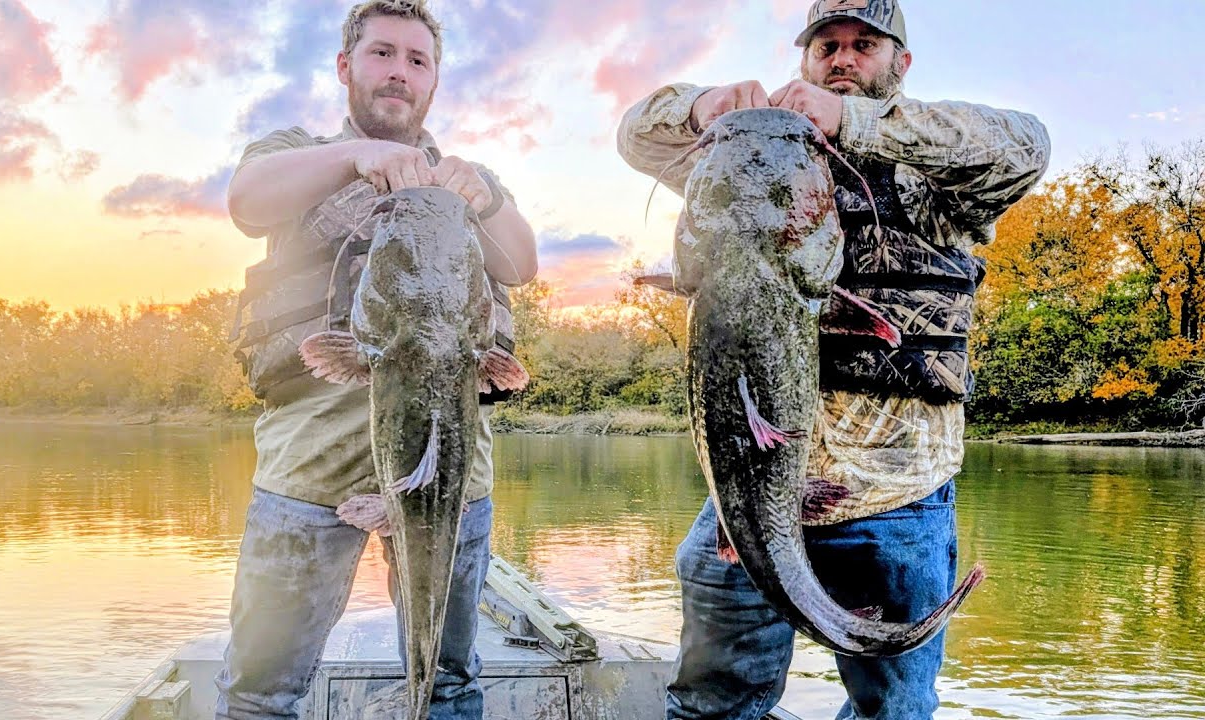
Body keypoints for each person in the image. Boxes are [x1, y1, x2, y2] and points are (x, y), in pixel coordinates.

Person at [617, 1, 1049, 718]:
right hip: (747, 498)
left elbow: (1027, 144)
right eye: (827, 46)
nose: (842, 58)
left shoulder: (936, 175)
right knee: (711, 703)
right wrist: (704, 109)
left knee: (894, 712)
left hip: (896, 503)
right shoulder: (742, 152)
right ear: (805, 58)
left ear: (899, 64)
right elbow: (634, 133)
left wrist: (852, 124)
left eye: (864, 45)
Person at [216, 1, 537, 718]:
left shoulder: (466, 176)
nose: (399, 72)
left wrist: (482, 200)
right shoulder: (293, 150)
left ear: (434, 81)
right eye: (382, 53)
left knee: (450, 680)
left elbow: (520, 263)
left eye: (417, 60)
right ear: (345, 67)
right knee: (260, 690)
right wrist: (357, 157)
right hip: (311, 463)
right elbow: (246, 202)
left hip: (451, 457)